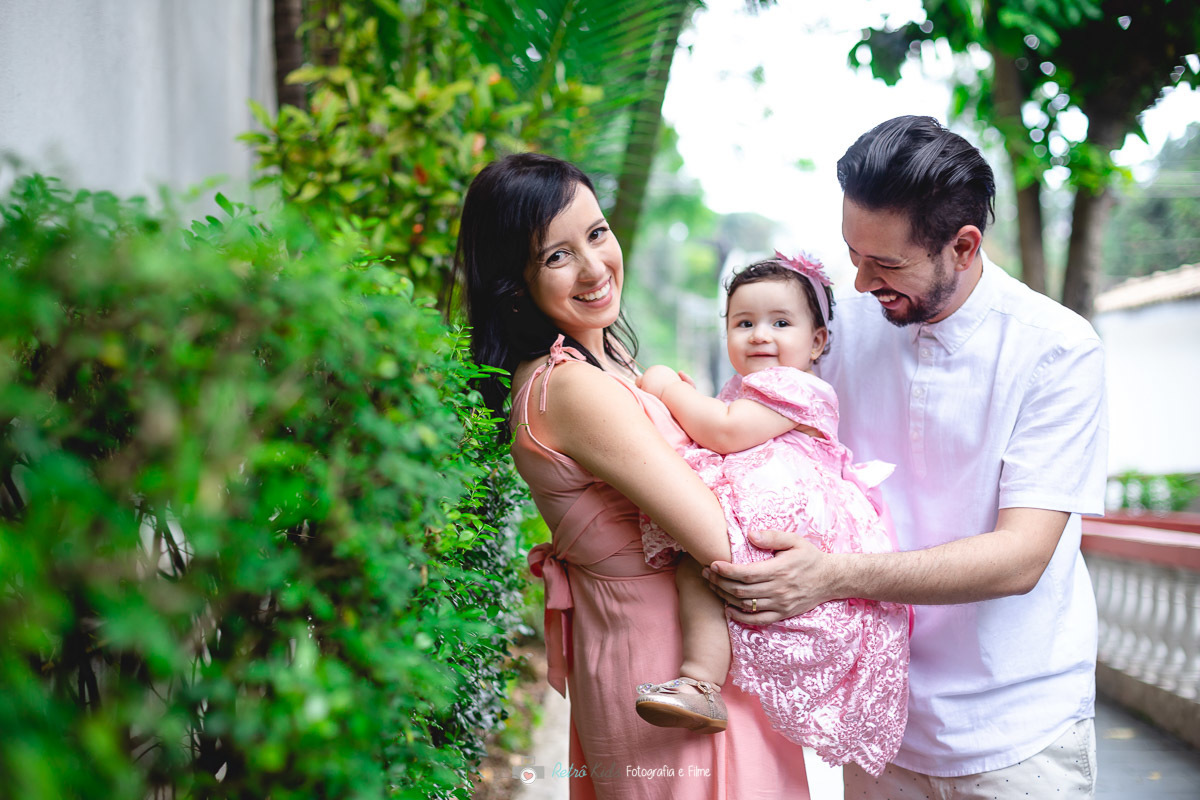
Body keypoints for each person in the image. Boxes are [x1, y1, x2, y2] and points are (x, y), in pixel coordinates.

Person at [704, 116, 1108, 797]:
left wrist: (831, 576)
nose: (859, 282)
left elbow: (1022, 556)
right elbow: (738, 442)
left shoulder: (1057, 351)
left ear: (964, 245)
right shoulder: (835, 330)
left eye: (886, 264)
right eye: (853, 255)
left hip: (1019, 733)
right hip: (875, 720)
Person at [455, 152, 809, 799]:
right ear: (514, 282)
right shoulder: (568, 388)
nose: (594, 268)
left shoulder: (604, 355)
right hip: (665, 661)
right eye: (556, 256)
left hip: (695, 654)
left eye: (596, 234)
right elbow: (713, 533)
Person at [630, 253, 910, 777]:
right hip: (758, 512)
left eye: (781, 322)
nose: (761, 334)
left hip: (791, 522)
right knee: (700, 570)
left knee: (706, 569)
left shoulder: (796, 387)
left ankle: (700, 679)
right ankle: (700, 683)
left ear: (817, 342)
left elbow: (727, 432)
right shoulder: (749, 389)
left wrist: (669, 388)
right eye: (744, 323)